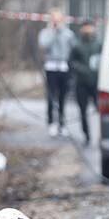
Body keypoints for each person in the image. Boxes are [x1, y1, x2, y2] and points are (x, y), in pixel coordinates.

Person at [36, 8, 76, 137]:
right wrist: (54, 32)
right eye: (54, 19)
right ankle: (51, 123)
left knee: (62, 97)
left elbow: (73, 47)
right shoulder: (45, 33)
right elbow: (44, 45)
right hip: (51, 66)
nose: (56, 22)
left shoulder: (68, 33)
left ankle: (62, 124)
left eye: (59, 19)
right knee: (51, 96)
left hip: (63, 67)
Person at [68, 20, 102, 147]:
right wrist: (81, 70)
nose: (88, 30)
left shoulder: (98, 44)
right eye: (85, 28)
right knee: (83, 111)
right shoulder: (77, 45)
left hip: (96, 83)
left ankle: (102, 136)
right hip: (81, 83)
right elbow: (71, 62)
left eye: (90, 27)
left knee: (101, 111)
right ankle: (86, 135)